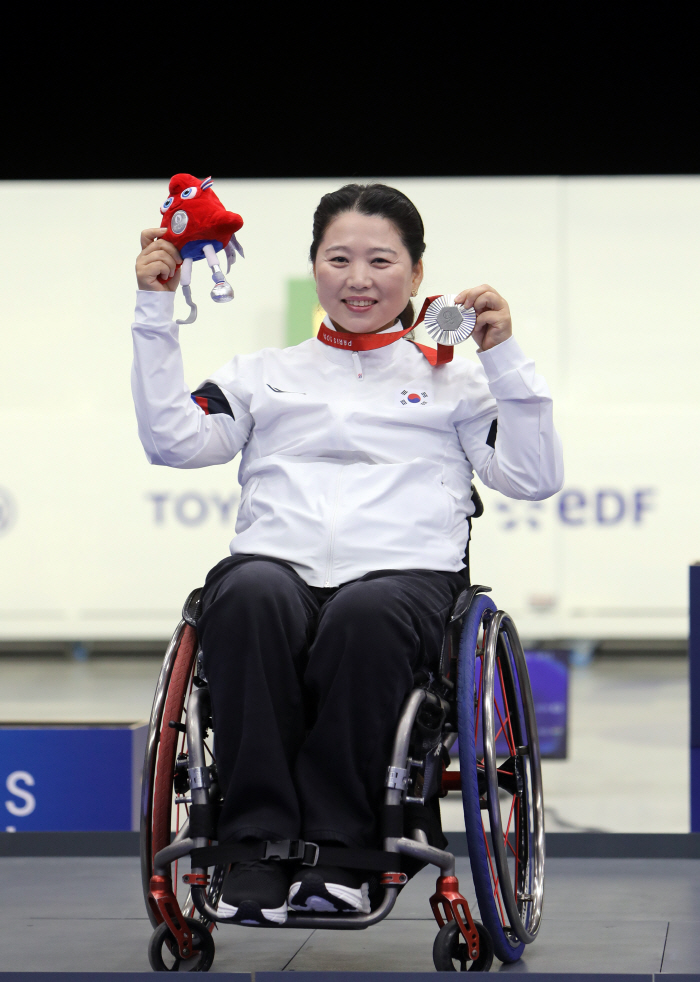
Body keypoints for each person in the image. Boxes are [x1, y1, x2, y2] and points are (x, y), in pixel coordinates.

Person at [131, 183, 563, 927]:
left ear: (417, 274)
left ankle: (341, 856)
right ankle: (253, 848)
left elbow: (533, 476)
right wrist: (154, 312)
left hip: (404, 581)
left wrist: (505, 358)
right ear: (315, 267)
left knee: (366, 613)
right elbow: (172, 441)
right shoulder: (262, 373)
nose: (358, 278)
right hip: (277, 568)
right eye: (339, 258)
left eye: (380, 260)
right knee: (247, 593)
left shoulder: (456, 381)